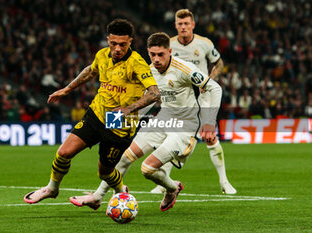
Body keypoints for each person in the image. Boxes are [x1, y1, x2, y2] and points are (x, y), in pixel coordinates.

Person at [70, 32, 222, 211]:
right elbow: (142, 105)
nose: (156, 59)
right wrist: (113, 124)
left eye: (161, 54)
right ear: (148, 52)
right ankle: (97, 197)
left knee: (147, 169)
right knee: (124, 157)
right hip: (163, 120)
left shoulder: (184, 68)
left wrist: (210, 121)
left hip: (184, 126)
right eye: (152, 54)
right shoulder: (148, 72)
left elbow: (214, 87)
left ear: (170, 51)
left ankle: (172, 188)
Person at [23, 19, 160, 204]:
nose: (117, 48)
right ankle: (52, 188)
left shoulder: (137, 63)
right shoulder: (102, 55)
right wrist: (67, 89)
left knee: (105, 172)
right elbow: (90, 71)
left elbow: (154, 93)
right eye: (113, 44)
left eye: (122, 44)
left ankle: (121, 191)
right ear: (108, 40)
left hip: (119, 121)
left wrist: (128, 109)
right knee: (63, 153)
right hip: (97, 112)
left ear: (130, 42)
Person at [150, 9, 236, 194]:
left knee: (210, 136)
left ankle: (224, 182)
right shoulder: (169, 45)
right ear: (175, 25)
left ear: (193, 25)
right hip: (179, 97)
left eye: (186, 24)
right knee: (170, 134)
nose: (183, 27)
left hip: (202, 94)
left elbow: (219, 62)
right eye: (180, 24)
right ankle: (162, 181)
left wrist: (210, 80)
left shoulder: (204, 43)